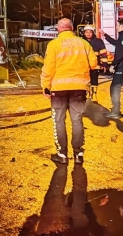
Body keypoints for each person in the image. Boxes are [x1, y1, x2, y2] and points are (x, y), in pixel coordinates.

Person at [41, 18, 97, 164]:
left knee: (59, 121)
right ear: (72, 28)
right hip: (79, 87)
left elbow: (48, 68)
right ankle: (78, 154)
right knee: (77, 120)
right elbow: (93, 64)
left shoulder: (53, 45)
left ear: (59, 29)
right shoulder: (84, 43)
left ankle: (62, 155)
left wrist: (45, 86)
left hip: (58, 89)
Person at [100, 18, 123, 120]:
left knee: (114, 88)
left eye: (117, 25)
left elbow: (121, 53)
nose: (116, 27)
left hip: (122, 66)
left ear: (121, 26)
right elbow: (118, 44)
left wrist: (113, 65)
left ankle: (115, 112)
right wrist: (105, 35)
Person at [82, 25, 108, 103]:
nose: (88, 34)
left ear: (93, 33)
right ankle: (86, 93)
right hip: (83, 66)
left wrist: (104, 64)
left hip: (95, 66)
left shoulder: (98, 41)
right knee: (84, 81)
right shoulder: (81, 41)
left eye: (90, 32)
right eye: (86, 32)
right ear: (84, 33)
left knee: (94, 80)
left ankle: (94, 94)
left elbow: (103, 53)